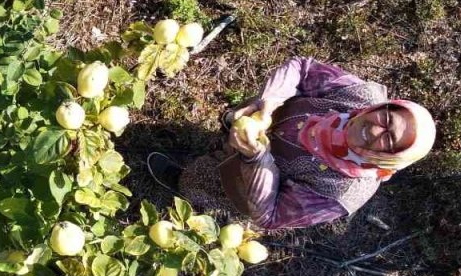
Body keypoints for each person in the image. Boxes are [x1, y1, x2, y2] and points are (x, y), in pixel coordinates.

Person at [150, 57, 437, 229]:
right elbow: (302, 68)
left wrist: (256, 158)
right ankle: (225, 138)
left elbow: (269, 215)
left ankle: (184, 185)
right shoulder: (360, 96)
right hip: (264, 125)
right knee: (232, 128)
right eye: (386, 119)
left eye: (389, 140)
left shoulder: (341, 194)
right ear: (384, 107)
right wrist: (268, 105)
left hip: (250, 179)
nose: (376, 129)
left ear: (389, 160)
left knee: (205, 182)